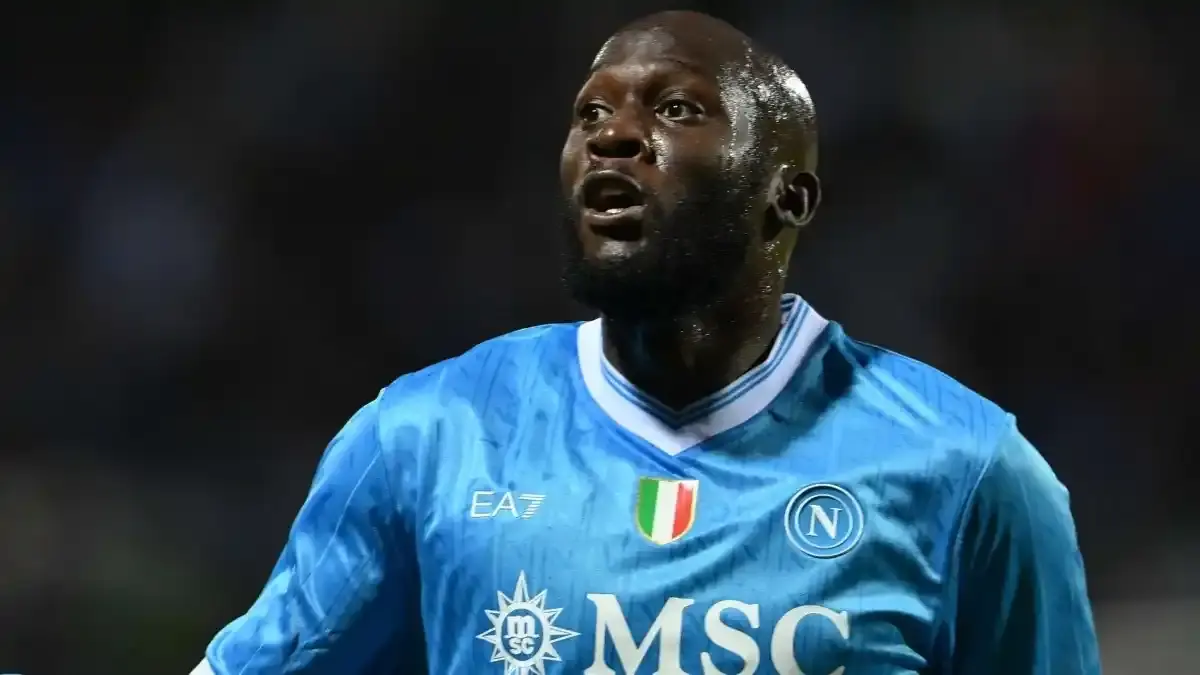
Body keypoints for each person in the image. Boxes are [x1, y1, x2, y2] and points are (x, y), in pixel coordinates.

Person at [192, 10, 1100, 675]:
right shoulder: (426, 437)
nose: (615, 137)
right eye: (590, 115)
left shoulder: (967, 470)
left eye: (676, 109)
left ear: (787, 196)